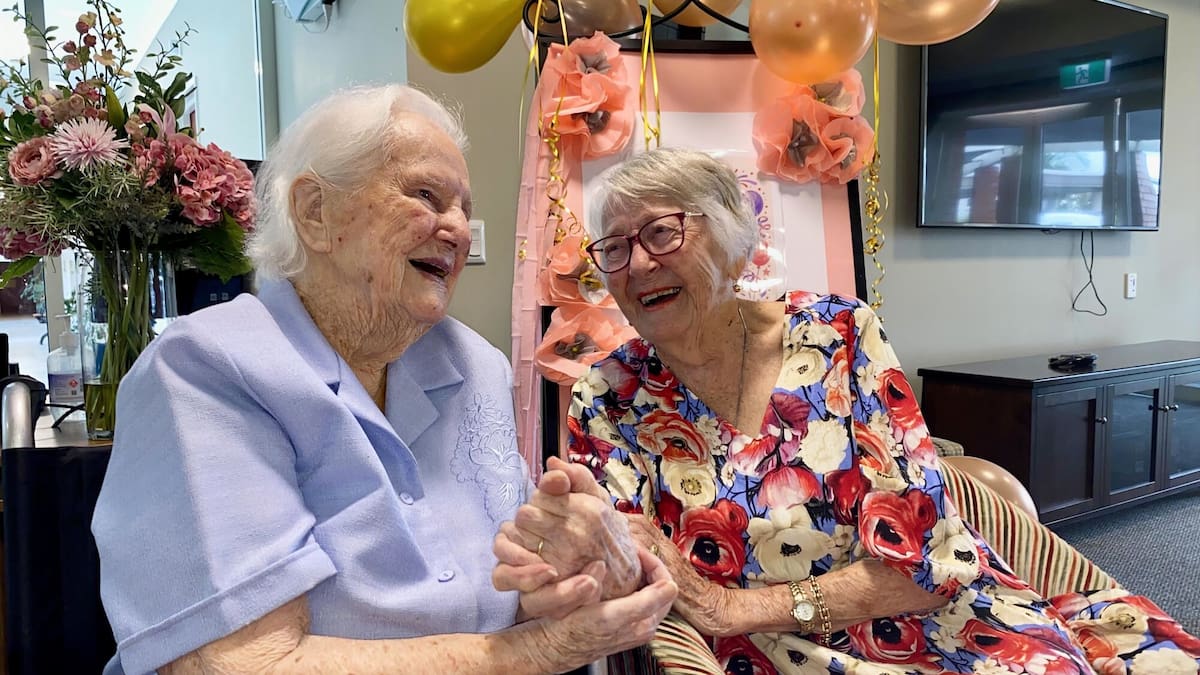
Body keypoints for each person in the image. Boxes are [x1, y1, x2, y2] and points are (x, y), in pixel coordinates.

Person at [496, 147, 1200, 674]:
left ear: (733, 236)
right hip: (781, 656)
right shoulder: (607, 394)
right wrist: (570, 546)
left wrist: (737, 605)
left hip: (945, 618)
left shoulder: (839, 335)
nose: (637, 265)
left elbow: (924, 562)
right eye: (614, 248)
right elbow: (625, 557)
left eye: (661, 233)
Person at [90, 84, 677, 675]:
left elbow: (503, 595)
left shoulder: (476, 365)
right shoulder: (204, 370)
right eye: (426, 196)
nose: (456, 229)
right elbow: (243, 663)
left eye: (462, 209)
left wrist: (568, 567)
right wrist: (536, 653)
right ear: (315, 212)